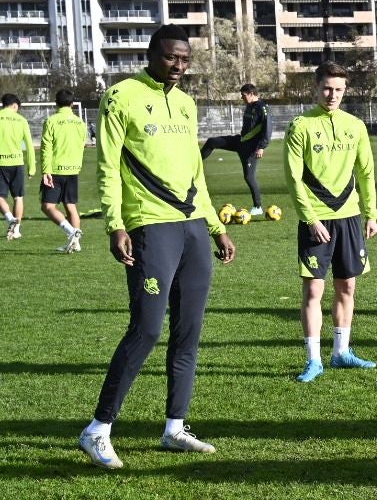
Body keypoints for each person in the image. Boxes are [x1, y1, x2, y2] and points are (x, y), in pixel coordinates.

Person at [80, 25, 235, 469]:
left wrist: (214, 225)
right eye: (171, 58)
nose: (179, 67)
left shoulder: (186, 103)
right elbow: (107, 165)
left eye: (185, 60)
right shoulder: (121, 96)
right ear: (152, 54)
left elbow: (194, 173)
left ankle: (174, 428)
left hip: (191, 228)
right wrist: (115, 224)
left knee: (188, 331)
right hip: (149, 225)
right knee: (146, 330)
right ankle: (98, 430)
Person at [283, 61, 377, 382]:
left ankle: (341, 353)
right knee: (313, 290)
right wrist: (310, 219)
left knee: (347, 286)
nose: (332, 95)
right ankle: (314, 360)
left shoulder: (355, 126)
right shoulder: (300, 126)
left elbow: (366, 172)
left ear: (345, 90)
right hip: (317, 221)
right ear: (316, 87)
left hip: (349, 218)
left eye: (338, 89)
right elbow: (294, 179)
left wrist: (371, 213)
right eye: (326, 88)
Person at [201, 83, 272, 214]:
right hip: (240, 142)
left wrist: (261, 147)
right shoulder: (249, 107)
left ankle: (258, 207)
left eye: (244, 95)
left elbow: (267, 130)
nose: (242, 98)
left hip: (251, 149)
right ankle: (197, 162)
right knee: (212, 142)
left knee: (249, 177)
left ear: (251, 94)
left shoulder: (263, 108)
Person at [40, 89, 89, 253]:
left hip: (55, 169)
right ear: (72, 104)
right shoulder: (80, 123)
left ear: (56, 103)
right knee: (71, 205)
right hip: (73, 169)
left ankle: (72, 232)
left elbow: (46, 147)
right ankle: (76, 244)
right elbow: (83, 144)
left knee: (47, 206)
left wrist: (46, 170)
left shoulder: (51, 121)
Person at [0, 93, 37, 241]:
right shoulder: (21, 120)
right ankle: (16, 230)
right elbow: (29, 144)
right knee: (18, 197)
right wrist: (32, 167)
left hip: (1, 163)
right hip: (17, 163)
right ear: (15, 105)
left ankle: (10, 219)